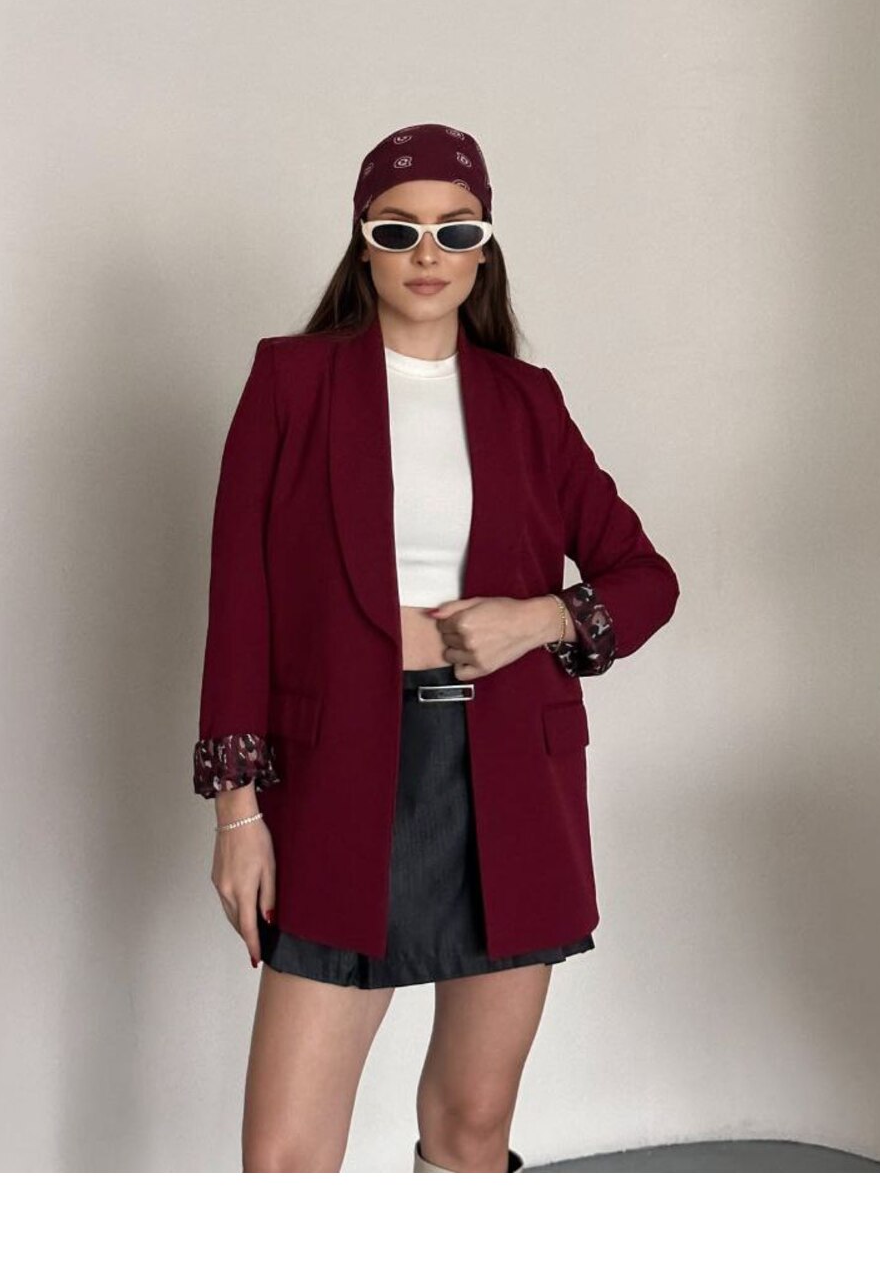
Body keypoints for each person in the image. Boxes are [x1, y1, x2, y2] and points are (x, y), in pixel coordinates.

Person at [193, 122, 680, 1172]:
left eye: (456, 230)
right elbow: (241, 607)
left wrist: (538, 618)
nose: (428, 252)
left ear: (484, 248)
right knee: (285, 1159)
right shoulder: (291, 382)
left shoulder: (527, 401)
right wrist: (239, 815)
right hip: (341, 774)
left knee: (472, 1126)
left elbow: (646, 578)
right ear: (362, 241)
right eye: (397, 228)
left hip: (511, 778)